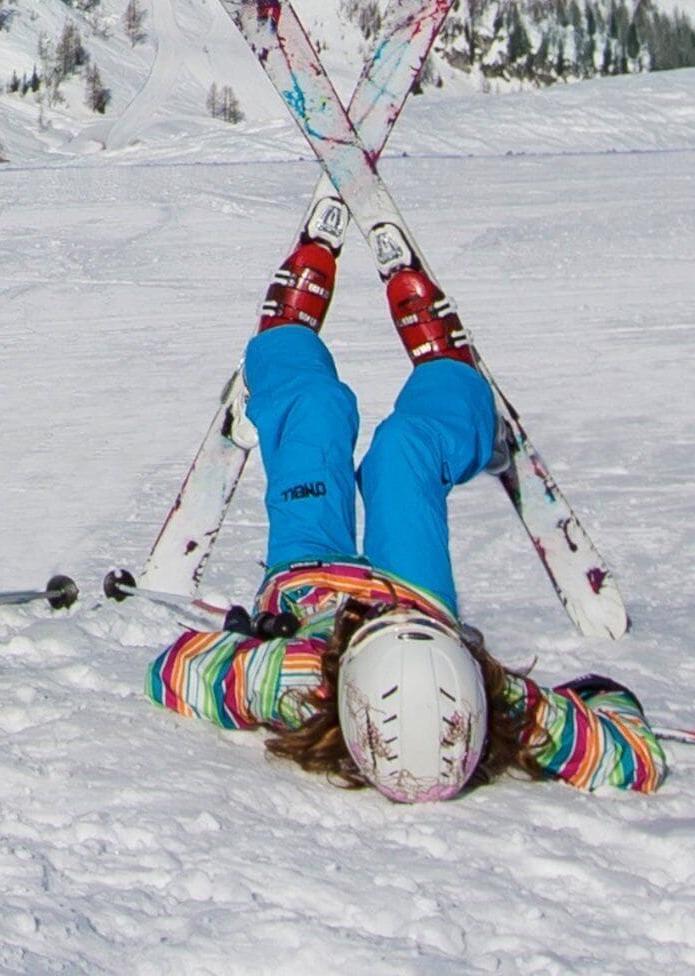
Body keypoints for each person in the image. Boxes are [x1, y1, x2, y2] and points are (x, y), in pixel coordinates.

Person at [147, 212, 662, 799]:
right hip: (416, 591)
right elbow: (635, 755)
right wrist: (547, 699)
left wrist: (269, 657)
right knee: (404, 452)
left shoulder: (296, 684)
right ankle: (454, 384)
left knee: (312, 411)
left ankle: (282, 343)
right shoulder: (500, 704)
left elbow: (173, 669)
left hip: (308, 580)